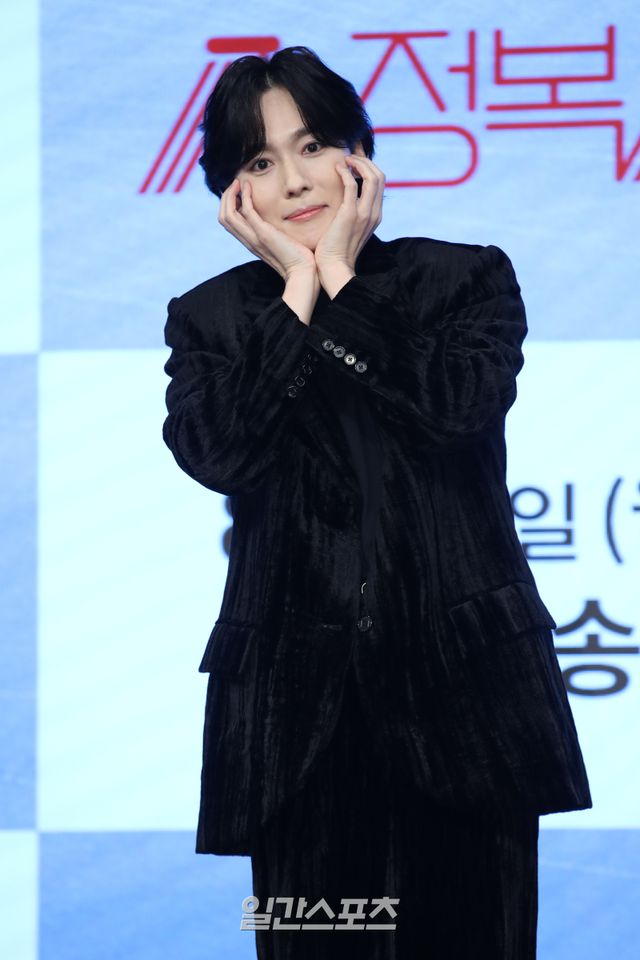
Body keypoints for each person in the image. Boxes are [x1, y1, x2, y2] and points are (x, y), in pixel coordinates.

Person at [162, 45, 592, 959]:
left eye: (313, 146)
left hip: (467, 705)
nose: (294, 180)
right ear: (234, 195)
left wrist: (342, 284)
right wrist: (296, 293)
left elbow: (454, 409)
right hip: (294, 727)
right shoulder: (211, 319)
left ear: (359, 155)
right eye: (260, 161)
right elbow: (220, 454)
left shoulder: (464, 279)